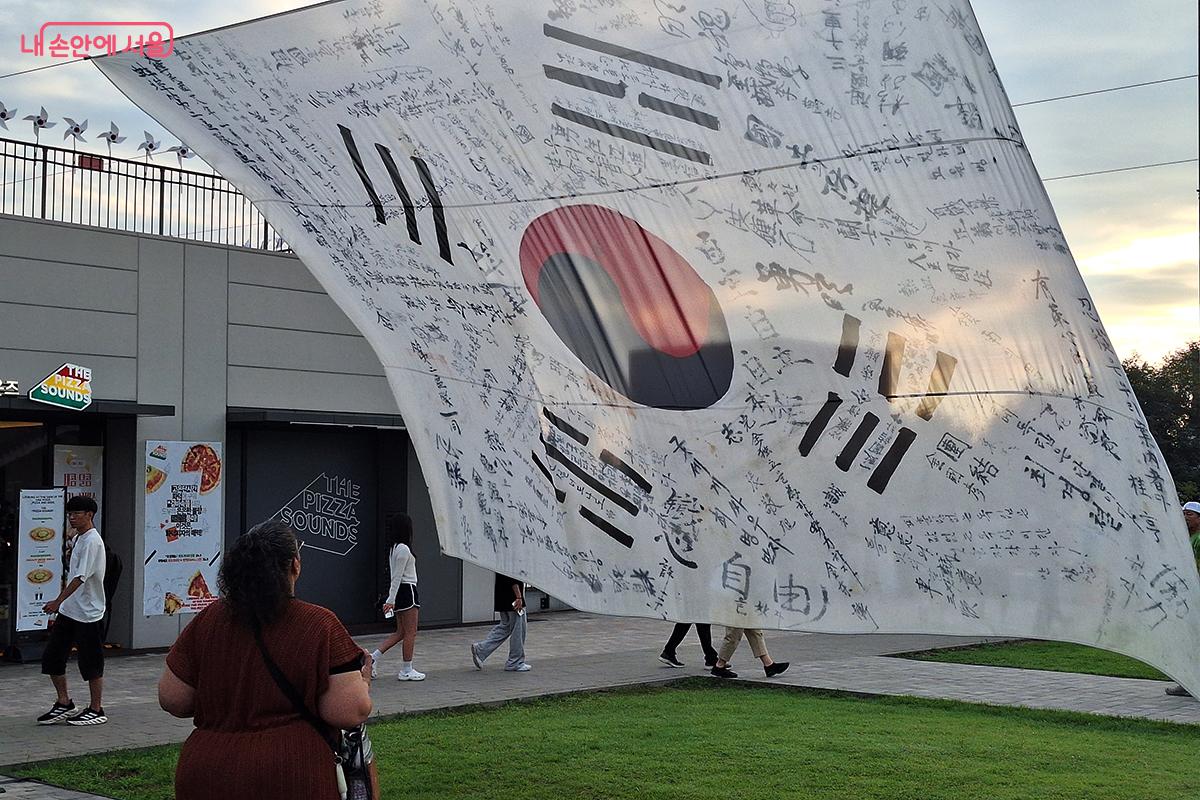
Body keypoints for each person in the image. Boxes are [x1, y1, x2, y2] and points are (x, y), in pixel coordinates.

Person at [156, 521, 374, 799]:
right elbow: (348, 711)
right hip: (290, 774)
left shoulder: (207, 621)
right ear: (294, 565)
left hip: (206, 773)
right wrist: (363, 685)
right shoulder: (319, 624)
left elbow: (172, 697)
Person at [37, 496, 108, 726]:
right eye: (70, 514)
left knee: (91, 663)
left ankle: (96, 709)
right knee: (52, 657)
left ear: (90, 515)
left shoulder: (92, 542)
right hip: (70, 610)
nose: (72, 517)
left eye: (77, 513)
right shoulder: (79, 538)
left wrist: (57, 600)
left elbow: (80, 577)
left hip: (88, 611)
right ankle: (64, 702)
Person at [370, 513, 424, 681]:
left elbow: (395, 577)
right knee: (410, 632)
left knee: (401, 632)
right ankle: (406, 669)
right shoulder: (403, 549)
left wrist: (392, 599)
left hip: (402, 592)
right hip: (407, 591)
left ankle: (372, 658)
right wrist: (390, 600)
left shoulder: (395, 548)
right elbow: (397, 577)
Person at [1165, 501, 1200, 697]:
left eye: (1190, 514)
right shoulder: (1188, 538)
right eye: (1184, 513)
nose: (1185, 517)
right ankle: (1188, 683)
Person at [469, 573, 531, 672]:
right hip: (513, 598)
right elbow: (513, 578)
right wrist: (519, 597)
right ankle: (515, 662)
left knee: (505, 627)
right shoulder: (512, 559)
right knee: (518, 630)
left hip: (502, 596)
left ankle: (481, 650)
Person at [710, 627, 790, 678]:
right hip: (736, 603)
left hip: (746, 603)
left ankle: (768, 664)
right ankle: (719, 665)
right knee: (734, 633)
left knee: (754, 631)